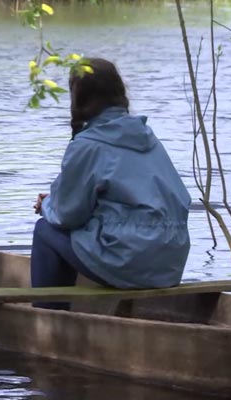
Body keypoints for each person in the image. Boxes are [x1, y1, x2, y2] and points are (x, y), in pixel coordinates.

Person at [32, 58, 191, 309]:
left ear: (79, 96)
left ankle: (49, 322)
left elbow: (67, 216)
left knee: (45, 230)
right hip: (170, 262)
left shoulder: (88, 145)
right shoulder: (147, 137)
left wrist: (47, 205)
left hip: (131, 260)